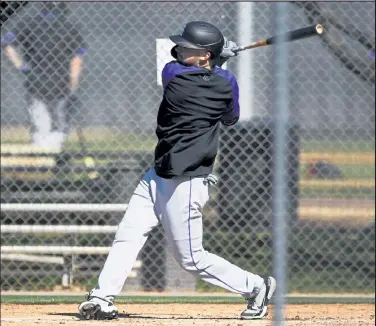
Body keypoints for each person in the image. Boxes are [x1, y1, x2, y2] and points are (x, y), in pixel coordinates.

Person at [78, 21, 276, 321]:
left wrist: (218, 61)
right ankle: (102, 297)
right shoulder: (225, 83)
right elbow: (230, 117)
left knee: (191, 259)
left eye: (188, 48)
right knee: (128, 234)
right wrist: (220, 67)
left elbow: (177, 65)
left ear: (204, 55)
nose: (180, 49)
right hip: (158, 173)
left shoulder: (174, 76)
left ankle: (255, 287)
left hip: (187, 180)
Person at [1, 2, 86, 150]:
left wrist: (21, 65)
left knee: (40, 121)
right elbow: (77, 58)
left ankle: (43, 149)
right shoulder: (70, 26)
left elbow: (6, 43)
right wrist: (73, 81)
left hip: (36, 79)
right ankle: (53, 148)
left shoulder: (30, 23)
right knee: (60, 122)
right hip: (62, 80)